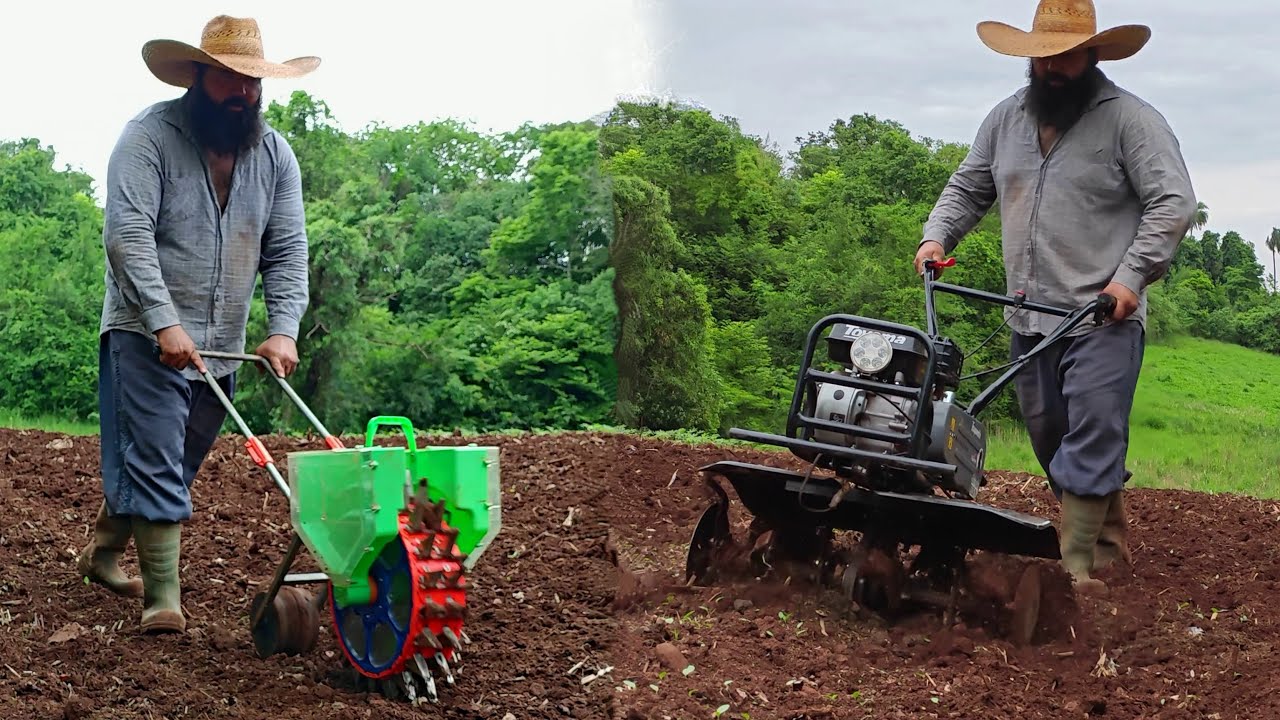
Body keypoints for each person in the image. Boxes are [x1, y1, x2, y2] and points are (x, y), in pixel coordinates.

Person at [914, 0, 1197, 595]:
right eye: (1042, 58)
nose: (1052, 69)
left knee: (1093, 431)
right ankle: (1109, 548)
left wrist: (1130, 278)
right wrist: (938, 236)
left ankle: (1076, 578)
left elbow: (1172, 203)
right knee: (1051, 438)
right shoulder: (1006, 119)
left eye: (1065, 56)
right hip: (1027, 315)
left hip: (1102, 316)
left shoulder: (1131, 121)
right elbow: (969, 185)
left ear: (1092, 54)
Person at [76, 16, 319, 633]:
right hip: (144, 334)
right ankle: (164, 600)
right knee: (156, 459)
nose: (242, 95)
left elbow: (287, 249)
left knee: (172, 464)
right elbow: (127, 238)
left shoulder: (276, 156)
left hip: (223, 343)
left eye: (252, 84)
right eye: (230, 81)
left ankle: (103, 554)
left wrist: (284, 327)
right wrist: (163, 323)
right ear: (199, 77)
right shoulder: (148, 138)